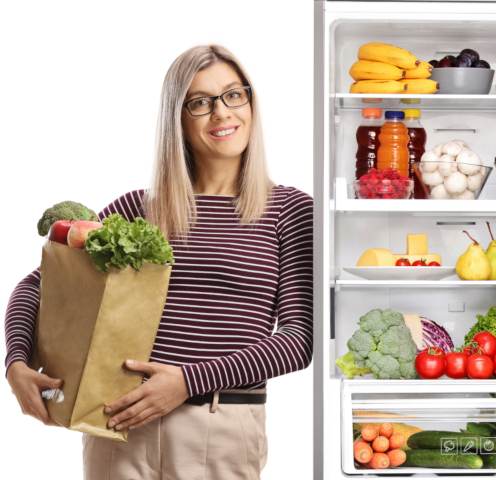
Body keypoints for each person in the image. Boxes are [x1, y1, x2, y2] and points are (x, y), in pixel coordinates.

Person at [4, 44, 313, 479]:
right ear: (178, 120)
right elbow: (40, 285)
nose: (221, 113)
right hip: (119, 422)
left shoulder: (290, 211)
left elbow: (300, 340)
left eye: (233, 95)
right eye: (200, 103)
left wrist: (188, 381)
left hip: (220, 425)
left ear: (251, 102)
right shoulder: (139, 208)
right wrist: (16, 362)